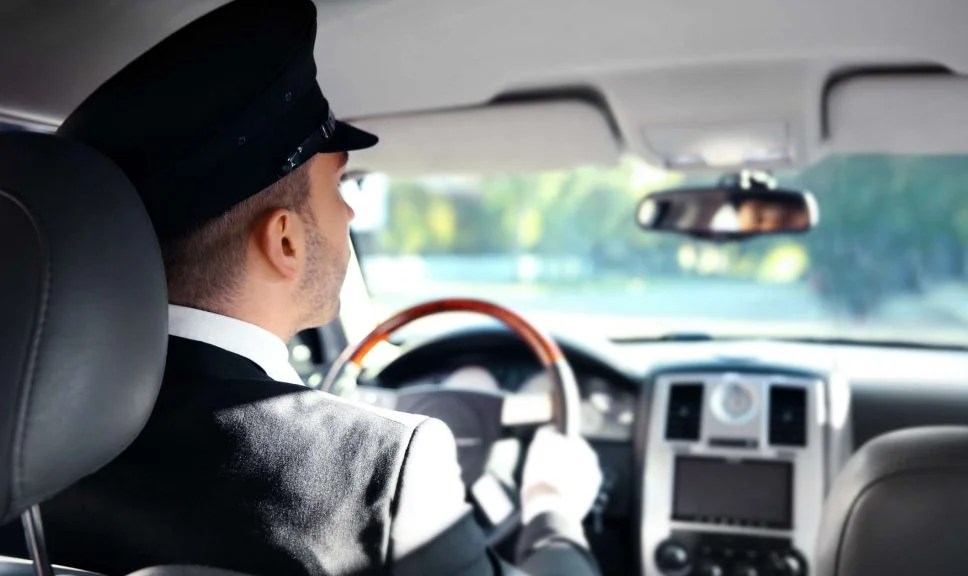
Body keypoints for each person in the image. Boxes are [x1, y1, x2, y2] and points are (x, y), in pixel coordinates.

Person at [38, 1, 603, 575]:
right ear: (284, 241)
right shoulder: (386, 471)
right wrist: (552, 509)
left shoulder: (26, 437)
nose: (351, 213)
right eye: (340, 184)